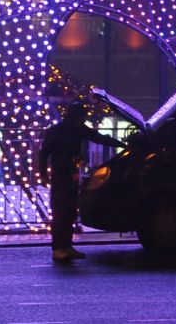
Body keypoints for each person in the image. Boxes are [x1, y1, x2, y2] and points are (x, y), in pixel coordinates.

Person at [38, 104, 118, 263]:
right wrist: (43, 173)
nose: (84, 119)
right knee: (62, 210)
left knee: (68, 210)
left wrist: (43, 173)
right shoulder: (67, 130)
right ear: (77, 116)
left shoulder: (68, 129)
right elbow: (44, 152)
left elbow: (43, 153)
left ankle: (65, 245)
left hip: (68, 173)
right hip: (61, 174)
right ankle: (59, 247)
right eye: (83, 116)